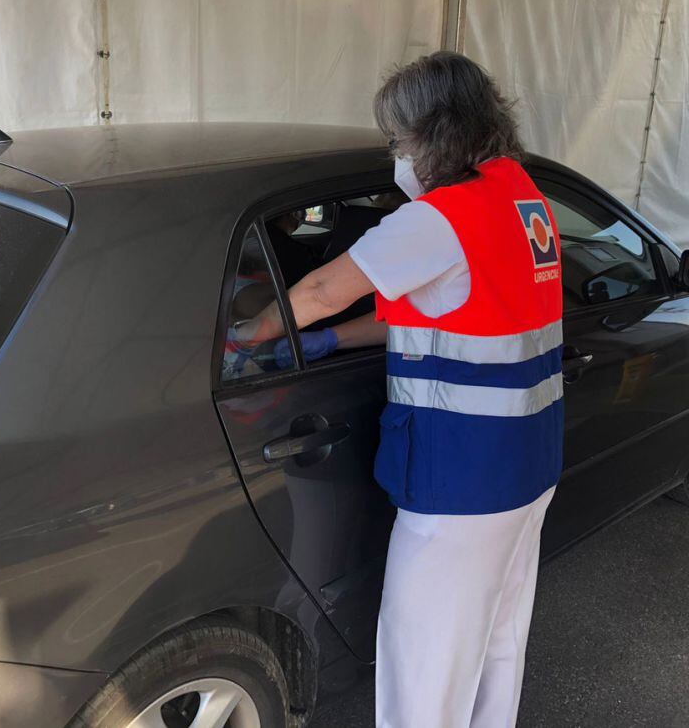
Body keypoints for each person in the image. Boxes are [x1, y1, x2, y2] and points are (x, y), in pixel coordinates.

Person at [238, 51, 563, 727]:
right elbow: (441, 309)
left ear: (436, 132)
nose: (397, 153)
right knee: (495, 644)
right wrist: (333, 340)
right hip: (527, 469)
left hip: (461, 487)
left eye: (399, 138)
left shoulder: (441, 218)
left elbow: (323, 289)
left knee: (424, 665)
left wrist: (250, 331)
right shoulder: (521, 197)